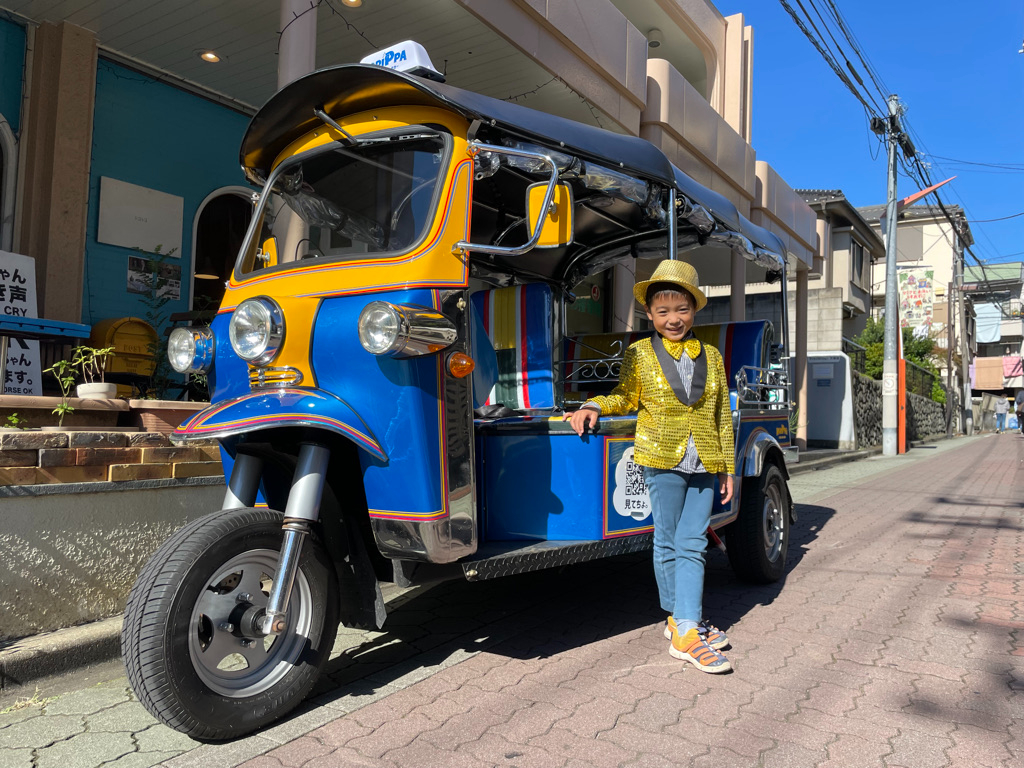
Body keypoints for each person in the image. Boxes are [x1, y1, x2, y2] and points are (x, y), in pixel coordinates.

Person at [563, 259, 735, 674]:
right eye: (663, 311)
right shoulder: (640, 353)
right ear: (650, 314)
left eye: (681, 310)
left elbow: (721, 415)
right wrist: (591, 405)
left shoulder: (711, 354)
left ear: (695, 310)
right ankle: (684, 625)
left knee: (693, 541)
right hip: (660, 456)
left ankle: (683, 622)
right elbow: (623, 396)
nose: (673, 319)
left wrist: (727, 466)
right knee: (668, 539)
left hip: (706, 458)